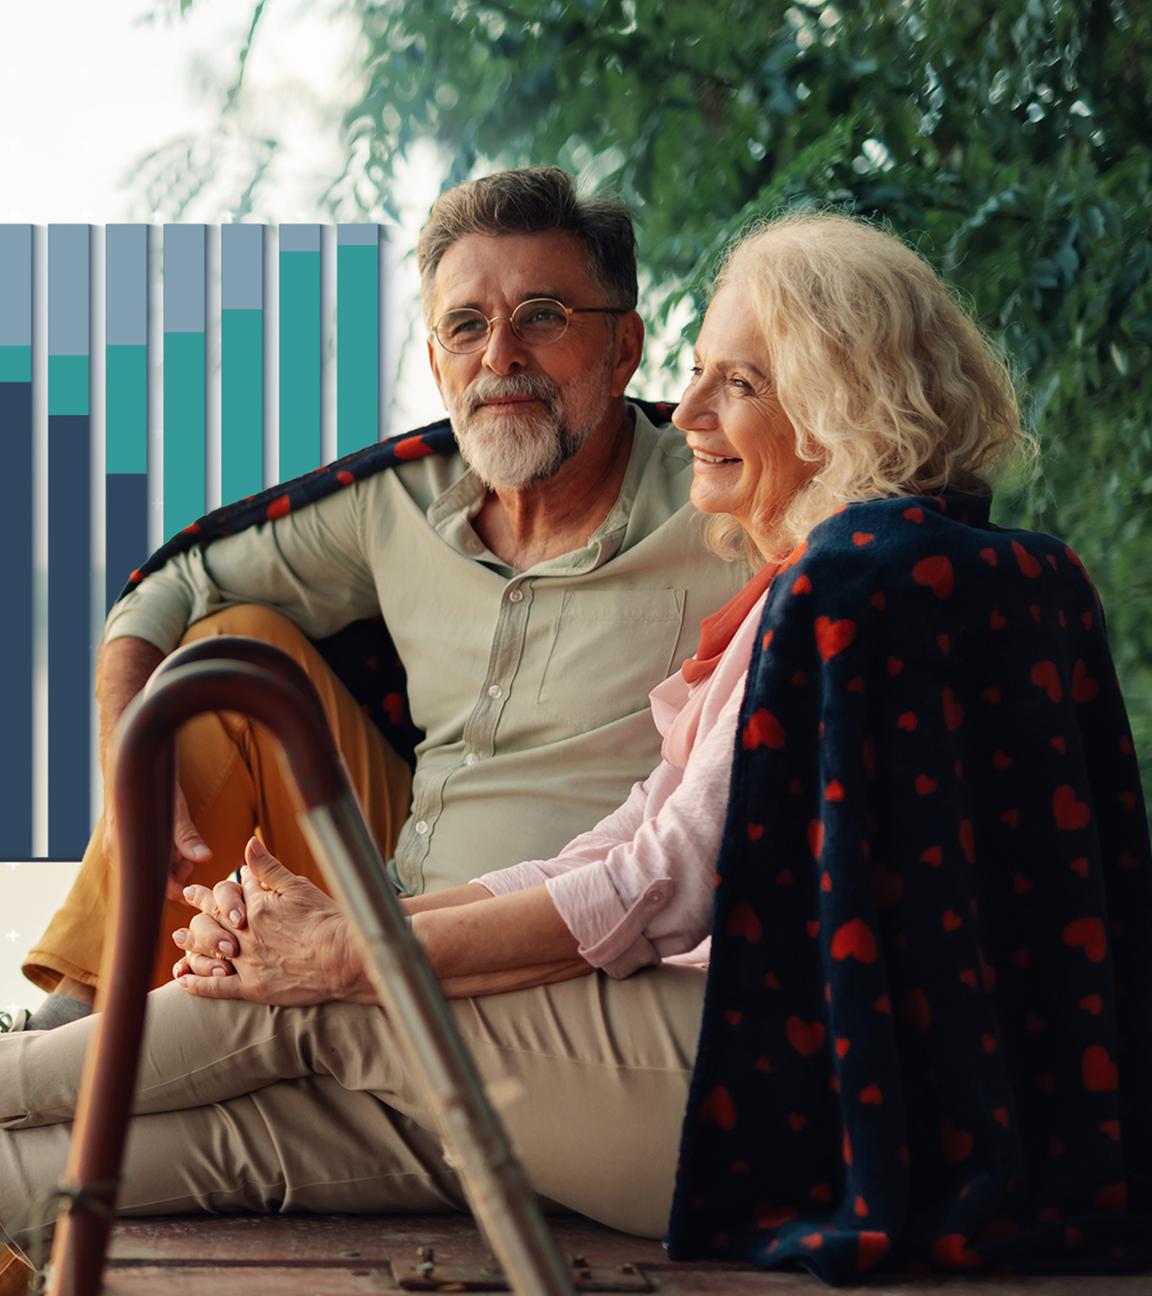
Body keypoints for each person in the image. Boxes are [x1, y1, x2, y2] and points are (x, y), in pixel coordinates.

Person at [4, 213, 1150, 1291]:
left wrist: (350, 957)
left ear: (839, 410)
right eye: (699, 370)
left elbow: (662, 886)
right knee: (159, 1153)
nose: (687, 410)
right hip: (666, 1073)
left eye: (734, 384)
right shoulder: (847, 578)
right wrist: (360, 932)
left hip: (751, 1088)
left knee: (305, 1010)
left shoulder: (856, 582)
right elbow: (628, 841)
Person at [15, 166, 750, 1029]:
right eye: (466, 326)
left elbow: (876, 530)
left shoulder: (725, 504)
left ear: (624, 348)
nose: (499, 356)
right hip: (373, 893)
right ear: (437, 361)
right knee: (226, 653)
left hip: (560, 949)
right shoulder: (395, 501)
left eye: (542, 317)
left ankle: (74, 1068)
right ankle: (76, 1018)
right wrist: (122, 747)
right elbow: (177, 584)